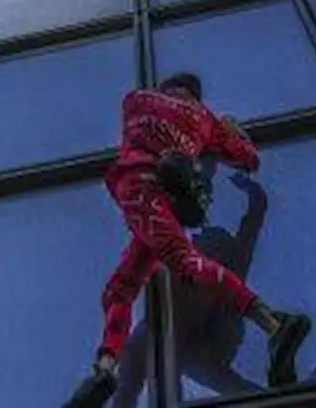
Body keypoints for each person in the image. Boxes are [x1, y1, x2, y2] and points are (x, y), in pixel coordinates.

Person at [65, 73, 311, 408]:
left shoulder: (136, 99)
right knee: (123, 288)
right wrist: (233, 132)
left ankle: (275, 324)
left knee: (177, 265)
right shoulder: (207, 120)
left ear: (167, 86)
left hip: (140, 187)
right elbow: (249, 159)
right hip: (163, 201)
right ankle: (103, 372)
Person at [111, 170, 269, 406]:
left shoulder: (227, 268)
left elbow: (249, 230)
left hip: (201, 338)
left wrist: (255, 196)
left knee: (206, 373)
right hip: (172, 332)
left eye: (205, 242)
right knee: (138, 357)